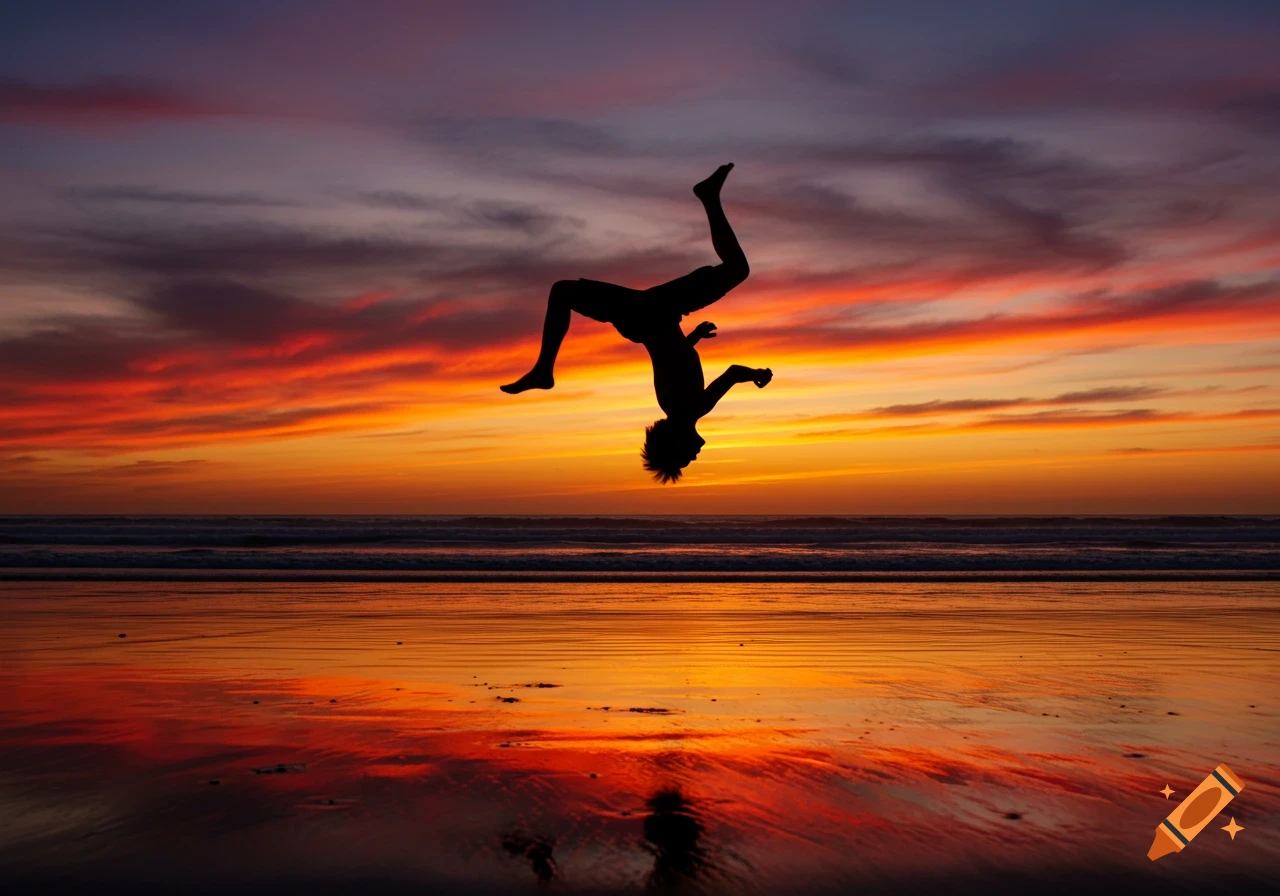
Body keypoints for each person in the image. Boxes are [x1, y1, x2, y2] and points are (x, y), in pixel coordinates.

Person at [501, 163, 772, 483]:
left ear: (676, 443)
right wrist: (694, 337)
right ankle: (544, 370)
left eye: (685, 459)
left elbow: (732, 372)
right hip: (646, 321)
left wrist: (757, 375)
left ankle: (710, 197)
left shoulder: (693, 408)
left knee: (737, 269)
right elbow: (671, 357)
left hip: (653, 314)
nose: (694, 457)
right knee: (562, 292)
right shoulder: (674, 405)